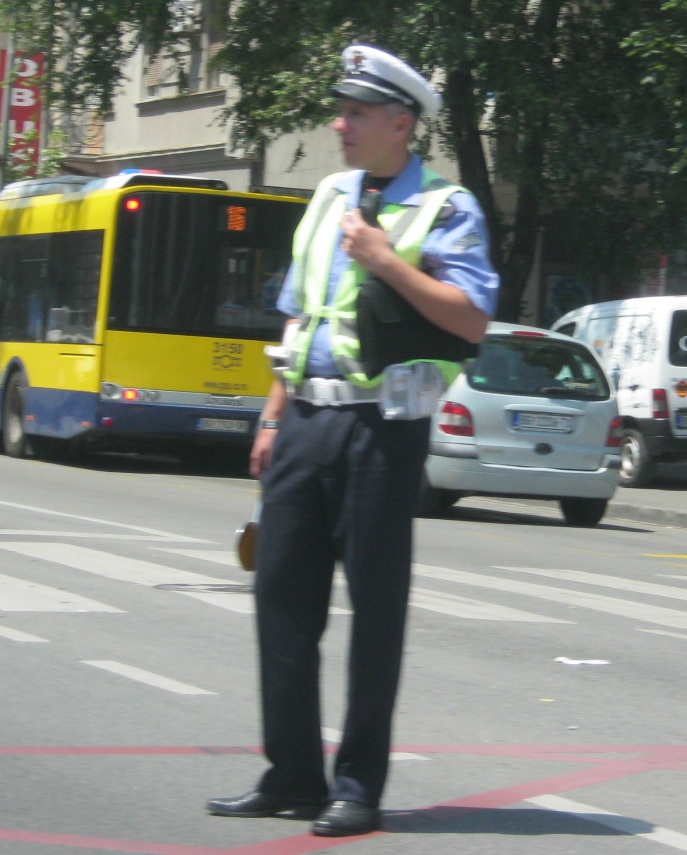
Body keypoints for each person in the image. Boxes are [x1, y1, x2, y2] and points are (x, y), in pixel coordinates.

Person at [207, 44, 497, 839]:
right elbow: (298, 317)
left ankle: (358, 785)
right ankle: (292, 776)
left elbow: (472, 319)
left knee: (375, 610)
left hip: (382, 426)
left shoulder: (445, 207)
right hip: (305, 418)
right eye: (341, 112)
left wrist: (385, 261)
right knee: (280, 599)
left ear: (400, 125)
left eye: (355, 114)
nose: (339, 125)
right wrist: (272, 416)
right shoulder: (328, 197)